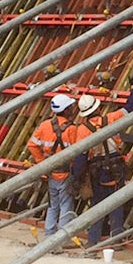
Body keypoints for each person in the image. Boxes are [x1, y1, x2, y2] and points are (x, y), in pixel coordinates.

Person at [65, 90, 131, 245]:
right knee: (117, 203)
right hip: (116, 167)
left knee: (97, 204)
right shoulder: (111, 118)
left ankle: (93, 240)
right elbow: (131, 106)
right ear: (98, 108)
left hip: (97, 170)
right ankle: (116, 240)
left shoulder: (82, 129)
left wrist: (77, 176)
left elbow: (81, 156)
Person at [27, 93, 80, 238]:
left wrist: (42, 164)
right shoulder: (71, 129)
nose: (73, 109)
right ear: (66, 109)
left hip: (51, 173)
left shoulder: (45, 125)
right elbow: (79, 152)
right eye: (71, 107)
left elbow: (32, 145)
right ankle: (61, 239)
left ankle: (49, 236)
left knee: (53, 206)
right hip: (66, 174)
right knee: (66, 206)